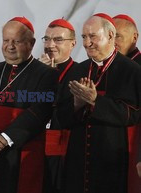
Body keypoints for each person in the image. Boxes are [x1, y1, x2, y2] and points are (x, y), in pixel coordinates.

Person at [0, 16, 59, 193]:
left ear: (31, 43)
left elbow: (39, 111)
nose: (10, 46)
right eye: (6, 40)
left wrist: (4, 139)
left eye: (17, 41)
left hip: (20, 151)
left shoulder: (46, 74)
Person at [60, 13, 141, 193]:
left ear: (110, 35)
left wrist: (95, 100)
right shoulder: (77, 70)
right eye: (84, 37)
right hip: (77, 160)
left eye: (93, 36)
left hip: (114, 160)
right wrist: (76, 104)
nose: (87, 43)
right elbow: (59, 118)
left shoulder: (132, 71)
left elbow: (133, 114)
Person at [39, 18, 78, 193]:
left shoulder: (81, 71)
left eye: (58, 40)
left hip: (66, 151)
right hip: (35, 147)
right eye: (47, 39)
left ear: (73, 44)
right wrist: (37, 76)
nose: (50, 45)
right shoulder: (32, 70)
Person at [113, 14, 141, 193]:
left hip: (135, 143)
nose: (113, 41)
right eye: (110, 35)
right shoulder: (105, 66)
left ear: (134, 37)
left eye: (118, 36)